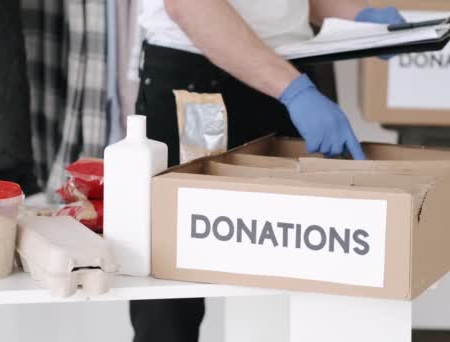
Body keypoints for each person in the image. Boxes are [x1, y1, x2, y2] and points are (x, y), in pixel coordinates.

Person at [131, 0, 405, 341]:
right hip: (200, 87)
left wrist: (359, 18)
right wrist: (295, 91)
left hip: (287, 79)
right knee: (172, 292)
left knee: (299, 274)